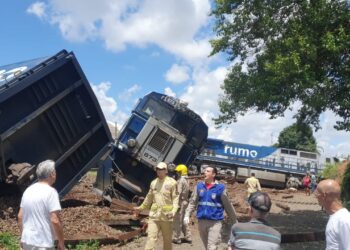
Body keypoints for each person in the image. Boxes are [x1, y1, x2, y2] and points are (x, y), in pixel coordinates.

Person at [184, 165, 237, 250]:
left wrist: (235, 221)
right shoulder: (199, 186)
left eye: (208, 171)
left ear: (213, 175)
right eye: (204, 171)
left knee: (211, 247)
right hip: (201, 221)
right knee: (207, 247)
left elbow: (228, 206)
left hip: (215, 222)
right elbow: (193, 202)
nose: (205, 172)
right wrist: (187, 214)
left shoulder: (220, 188)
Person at [17, 160, 64, 250]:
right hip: (43, 242)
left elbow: (20, 216)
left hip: (27, 240)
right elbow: (54, 220)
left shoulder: (28, 190)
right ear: (52, 174)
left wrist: (23, 238)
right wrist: (61, 242)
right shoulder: (51, 192)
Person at [134, 162, 179, 250]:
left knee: (167, 240)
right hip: (154, 216)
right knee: (151, 238)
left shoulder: (172, 183)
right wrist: (141, 208)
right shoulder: (153, 183)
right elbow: (149, 197)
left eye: (161, 169)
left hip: (166, 216)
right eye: (157, 169)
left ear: (166, 170)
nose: (159, 171)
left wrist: (173, 211)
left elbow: (175, 199)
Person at [314, 179, 350, 250]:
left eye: (317, 192)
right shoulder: (336, 217)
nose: (315, 195)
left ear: (324, 196)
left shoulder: (344, 220)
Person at [172, 164, 192, 244]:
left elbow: (178, 193)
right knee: (184, 220)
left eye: (178, 172)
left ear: (181, 172)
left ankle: (177, 238)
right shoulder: (187, 179)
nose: (177, 173)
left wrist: (174, 204)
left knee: (177, 221)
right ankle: (188, 237)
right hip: (185, 202)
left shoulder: (181, 180)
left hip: (180, 202)